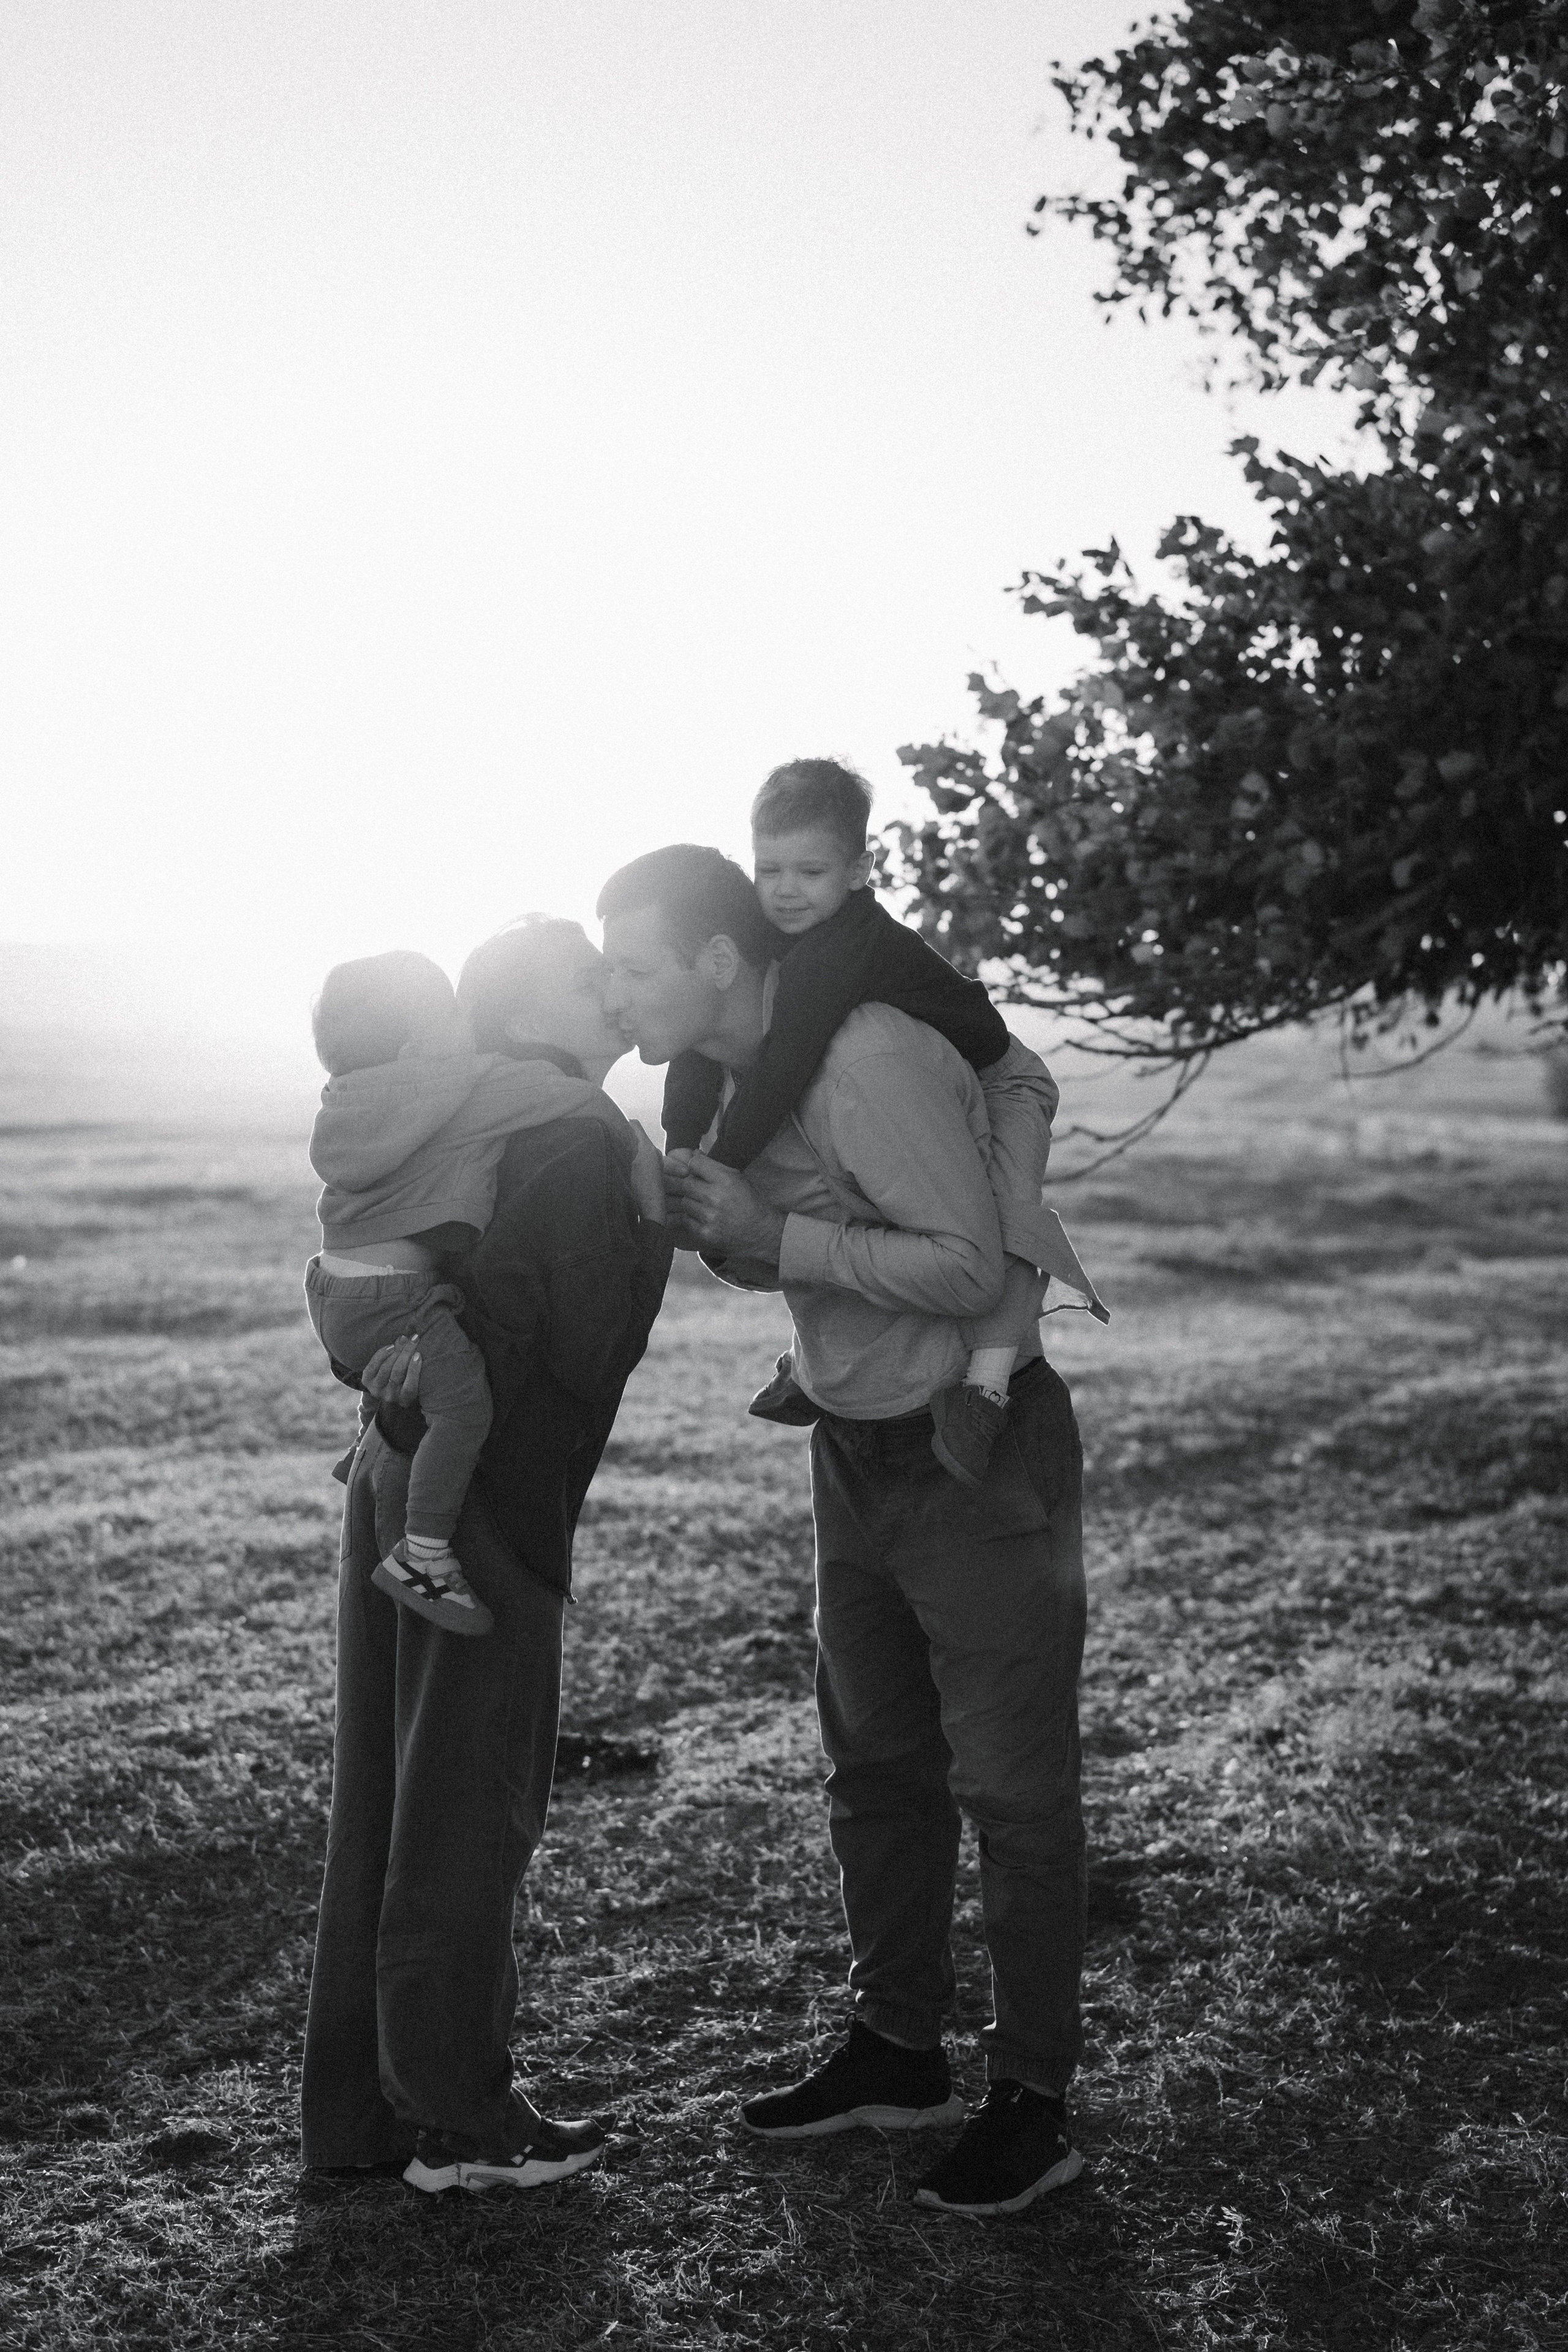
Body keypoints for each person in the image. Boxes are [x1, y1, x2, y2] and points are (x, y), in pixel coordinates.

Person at [599, 847, 1088, 2220]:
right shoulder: (737, 1080)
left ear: (714, 962)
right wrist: (734, 1233)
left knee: (1011, 1790)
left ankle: (1032, 2102)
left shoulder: (864, 1050)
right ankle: (896, 2050)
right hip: (852, 1447)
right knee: (874, 1766)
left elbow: (970, 1267)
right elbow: (790, 1242)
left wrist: (776, 1235)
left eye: (632, 960)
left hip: (968, 1453)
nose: (611, 984)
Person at [300, 914, 673, 2196]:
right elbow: (550, 1351)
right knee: (468, 1809)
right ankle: (459, 2115)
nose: (617, 995)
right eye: (594, 978)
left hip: (394, 1472)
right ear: (532, 1013)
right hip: (482, 1506)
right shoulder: (570, 1137)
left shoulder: (491, 1124)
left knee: (386, 1805)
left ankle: (360, 2112)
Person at [660, 758, 1106, 1487]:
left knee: (1002, 1222)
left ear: (860, 869)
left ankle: (986, 1388)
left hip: (1004, 1080)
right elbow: (697, 1055)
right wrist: (682, 1150)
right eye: (768, 870)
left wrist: (726, 1163)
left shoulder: (842, 945)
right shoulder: (775, 933)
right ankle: (818, 1368)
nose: (785, 892)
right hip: (939, 1076)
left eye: (810, 872)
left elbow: (784, 1065)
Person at [306, 947, 632, 1635]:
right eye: (456, 1011)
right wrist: (641, 1178)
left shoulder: (356, 1101)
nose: (469, 1020)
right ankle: (424, 1554)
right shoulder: (474, 1092)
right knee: (463, 1409)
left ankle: (370, 1436)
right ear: (424, 1041)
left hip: (335, 1289)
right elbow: (568, 1098)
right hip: (402, 1311)